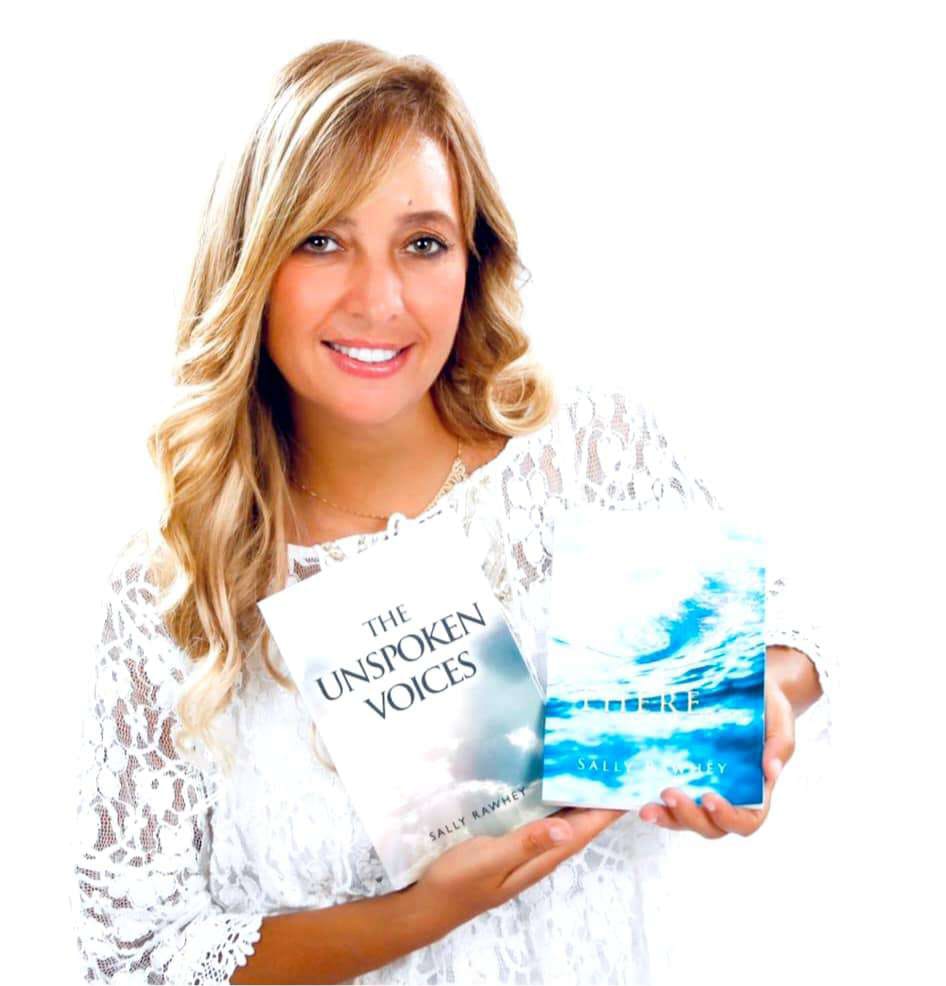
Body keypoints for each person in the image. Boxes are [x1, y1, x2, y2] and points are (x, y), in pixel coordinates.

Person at [69, 40, 834, 985]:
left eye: (422, 243)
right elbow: (136, 956)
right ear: (251, 262)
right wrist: (421, 913)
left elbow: (790, 636)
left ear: (475, 258)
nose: (379, 299)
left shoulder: (585, 458)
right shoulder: (178, 584)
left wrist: (764, 694)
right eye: (322, 240)